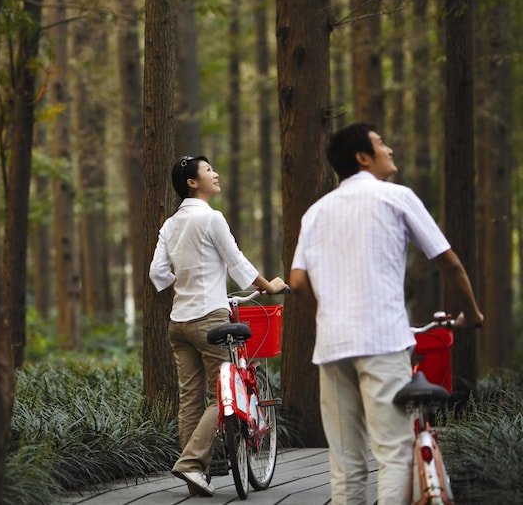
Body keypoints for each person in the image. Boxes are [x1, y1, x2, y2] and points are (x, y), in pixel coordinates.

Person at [288, 122, 484, 504]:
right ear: (363, 157)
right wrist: (472, 315)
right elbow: (450, 263)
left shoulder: (316, 212)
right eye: (381, 143)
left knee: (345, 463)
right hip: (381, 339)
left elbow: (296, 281)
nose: (389, 149)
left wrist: (327, 314)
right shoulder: (396, 197)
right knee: (394, 452)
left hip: (332, 346)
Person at [150, 154, 288, 497]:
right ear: (192, 182)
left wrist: (187, 281)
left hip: (179, 323)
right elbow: (237, 261)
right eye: (208, 170)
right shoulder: (211, 218)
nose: (215, 174)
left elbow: (158, 274)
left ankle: (196, 475)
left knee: (190, 399)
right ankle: (191, 463)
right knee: (223, 396)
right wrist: (269, 286)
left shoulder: (170, 226)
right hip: (210, 320)